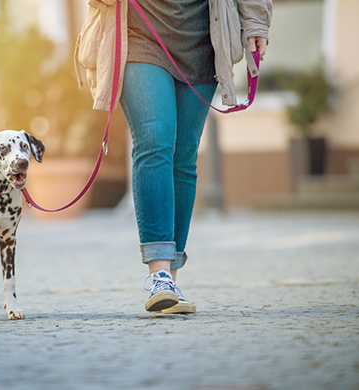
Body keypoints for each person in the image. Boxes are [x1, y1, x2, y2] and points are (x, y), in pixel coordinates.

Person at [76, 0, 272, 313]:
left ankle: (170, 279)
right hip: (138, 34)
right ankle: (159, 274)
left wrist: (256, 22)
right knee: (154, 139)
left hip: (202, 39)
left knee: (183, 157)